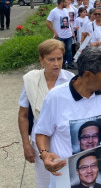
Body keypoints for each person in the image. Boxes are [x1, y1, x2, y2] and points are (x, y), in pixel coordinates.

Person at [34, 47, 101, 187]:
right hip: (65, 180)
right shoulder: (55, 98)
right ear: (87, 75)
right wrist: (44, 154)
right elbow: (42, 133)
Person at [18, 39, 74, 188]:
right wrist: (26, 145)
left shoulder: (71, 81)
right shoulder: (31, 80)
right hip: (40, 146)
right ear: (41, 60)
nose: (56, 63)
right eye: (51, 59)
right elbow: (23, 115)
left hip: (66, 144)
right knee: (44, 183)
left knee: (67, 182)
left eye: (59, 58)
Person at [45, 0, 76, 69]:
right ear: (62, 3)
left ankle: (70, 64)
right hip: (60, 36)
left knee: (69, 50)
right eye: (65, 2)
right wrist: (54, 32)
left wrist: (72, 32)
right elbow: (47, 22)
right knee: (60, 51)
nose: (67, 3)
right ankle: (61, 65)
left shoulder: (65, 10)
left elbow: (69, 22)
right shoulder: (54, 11)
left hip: (68, 35)